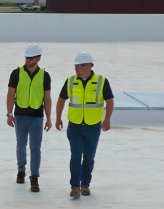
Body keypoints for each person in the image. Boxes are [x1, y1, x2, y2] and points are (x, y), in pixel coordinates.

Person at [55, 52, 114, 199]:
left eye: (79, 66)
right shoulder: (70, 81)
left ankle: (85, 185)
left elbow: (110, 101)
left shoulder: (101, 81)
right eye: (75, 66)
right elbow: (61, 99)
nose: (76, 69)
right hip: (74, 126)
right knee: (75, 156)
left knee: (88, 157)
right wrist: (58, 118)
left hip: (93, 126)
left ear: (88, 66)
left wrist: (107, 119)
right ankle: (75, 186)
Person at [6, 43, 53, 192]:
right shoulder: (16, 73)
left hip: (37, 117)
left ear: (38, 58)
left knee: (35, 148)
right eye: (27, 57)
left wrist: (49, 118)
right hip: (20, 116)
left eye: (31, 58)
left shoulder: (45, 75)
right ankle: (21, 171)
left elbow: (47, 98)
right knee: (20, 145)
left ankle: (34, 177)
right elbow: (10, 94)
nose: (28, 60)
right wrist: (9, 114)